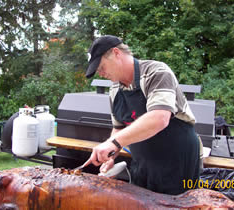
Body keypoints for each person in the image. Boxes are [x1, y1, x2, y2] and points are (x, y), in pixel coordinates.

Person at [84, 35, 200, 195]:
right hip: (142, 163)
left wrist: (114, 143)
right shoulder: (114, 89)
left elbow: (159, 118)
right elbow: (118, 128)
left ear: (116, 53)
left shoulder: (157, 72)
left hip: (177, 162)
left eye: (101, 66)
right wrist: (111, 154)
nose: (101, 73)